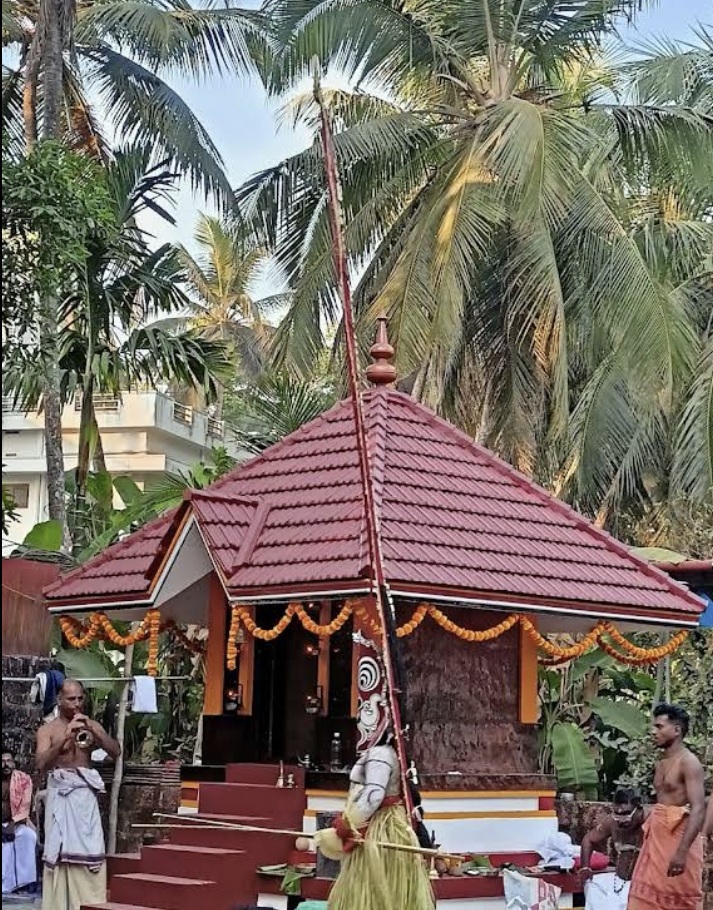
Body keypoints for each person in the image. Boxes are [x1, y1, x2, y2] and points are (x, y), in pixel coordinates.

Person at [35, 679, 120, 910]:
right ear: (59, 699)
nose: (77, 703)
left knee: (90, 849)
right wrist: (65, 736)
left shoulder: (91, 725)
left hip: (84, 798)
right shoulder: (47, 730)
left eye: (80, 698)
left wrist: (95, 731)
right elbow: (41, 764)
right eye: (71, 699)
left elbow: (116, 752)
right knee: (60, 852)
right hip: (61, 796)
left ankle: (90, 903)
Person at [628, 703, 706, 910]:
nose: (653, 732)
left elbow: (698, 808)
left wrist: (682, 852)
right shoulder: (661, 763)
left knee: (678, 898)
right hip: (657, 841)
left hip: (679, 840)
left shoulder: (689, 762)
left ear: (677, 730)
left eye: (659, 727)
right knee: (643, 896)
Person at [578, 787, 644, 909]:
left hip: (644, 887)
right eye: (617, 814)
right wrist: (585, 867)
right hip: (619, 881)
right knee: (592, 885)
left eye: (626, 814)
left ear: (639, 809)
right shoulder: (612, 822)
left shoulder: (651, 822)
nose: (621, 820)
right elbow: (588, 839)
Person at [2, 751, 37, 895]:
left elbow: (25, 806)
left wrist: (11, 825)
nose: (5, 764)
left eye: (8, 761)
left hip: (17, 822)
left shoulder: (23, 779)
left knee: (28, 836)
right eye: (2, 761)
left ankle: (25, 882)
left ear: (14, 763)